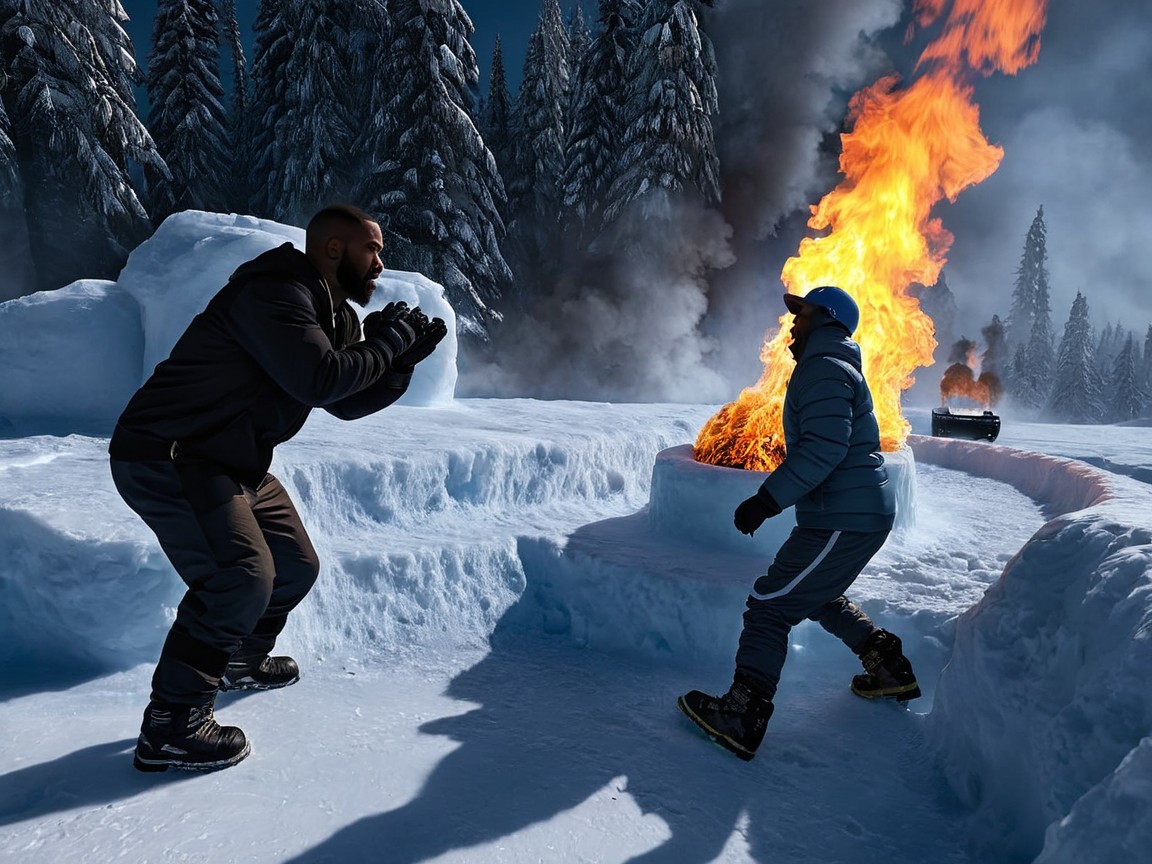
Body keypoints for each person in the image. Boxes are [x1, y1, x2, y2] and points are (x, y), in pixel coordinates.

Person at [109, 204, 448, 772]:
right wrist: (385, 346)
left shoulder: (331, 311)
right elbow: (319, 378)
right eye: (372, 250)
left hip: (231, 460)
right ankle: (171, 724)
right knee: (238, 577)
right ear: (334, 249)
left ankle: (239, 659)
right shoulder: (275, 292)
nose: (380, 265)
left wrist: (400, 362)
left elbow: (343, 402)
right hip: (170, 452)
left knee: (293, 566)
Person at [678, 285, 919, 762]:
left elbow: (825, 449)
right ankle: (888, 666)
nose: (792, 321)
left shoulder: (824, 367)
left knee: (770, 604)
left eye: (801, 312)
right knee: (818, 597)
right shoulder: (831, 363)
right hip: (848, 513)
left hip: (844, 517)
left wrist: (766, 501)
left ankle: (744, 713)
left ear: (826, 318)